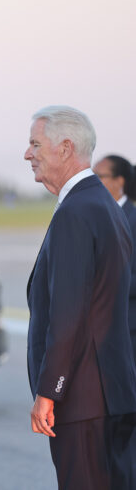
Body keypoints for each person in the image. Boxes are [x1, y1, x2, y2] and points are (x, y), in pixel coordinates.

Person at [25, 106, 136, 488]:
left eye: (35, 144)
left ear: (65, 148)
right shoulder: (102, 205)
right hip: (109, 392)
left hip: (83, 397)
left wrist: (48, 391)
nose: (28, 154)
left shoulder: (77, 210)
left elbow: (68, 313)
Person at [93, 154, 136, 362]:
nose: (93, 182)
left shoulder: (133, 220)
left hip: (128, 329)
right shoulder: (96, 215)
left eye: (99, 176)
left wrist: (102, 282)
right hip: (100, 329)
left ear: (120, 181)